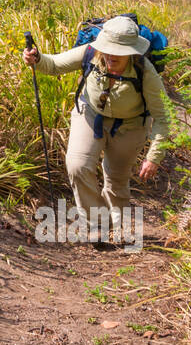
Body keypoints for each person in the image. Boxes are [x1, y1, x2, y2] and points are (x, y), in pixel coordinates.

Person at [21, 16, 171, 245]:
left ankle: (118, 228)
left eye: (118, 52)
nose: (110, 56)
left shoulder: (145, 71)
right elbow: (53, 65)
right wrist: (37, 58)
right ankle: (97, 224)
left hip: (131, 125)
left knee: (117, 178)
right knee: (78, 165)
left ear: (131, 52)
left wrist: (154, 157)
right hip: (89, 115)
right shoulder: (91, 52)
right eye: (108, 49)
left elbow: (162, 116)